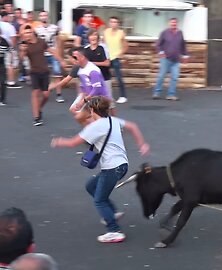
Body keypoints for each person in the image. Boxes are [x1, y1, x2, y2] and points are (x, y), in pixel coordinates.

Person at [51, 96, 150, 244]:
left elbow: (73, 143)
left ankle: (114, 231)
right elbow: (133, 126)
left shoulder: (96, 127)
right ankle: (113, 213)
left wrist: (58, 141)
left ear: (92, 110)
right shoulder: (113, 120)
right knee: (91, 186)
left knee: (99, 200)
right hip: (121, 164)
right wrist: (142, 144)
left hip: (112, 167)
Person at [19, 25, 66, 126]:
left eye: (29, 32)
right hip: (34, 72)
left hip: (44, 71)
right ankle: (36, 118)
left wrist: (61, 60)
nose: (27, 35)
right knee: (35, 93)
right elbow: (21, 60)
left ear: (33, 33)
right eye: (25, 33)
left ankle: (39, 109)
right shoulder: (25, 45)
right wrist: (22, 51)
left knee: (46, 95)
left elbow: (52, 51)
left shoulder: (41, 42)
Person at [69, 47, 112, 126]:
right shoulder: (81, 70)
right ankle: (94, 133)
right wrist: (81, 99)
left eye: (75, 57)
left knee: (93, 119)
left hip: (100, 100)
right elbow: (84, 88)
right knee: (79, 117)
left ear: (82, 57)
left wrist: (84, 101)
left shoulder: (92, 70)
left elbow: (97, 89)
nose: (73, 60)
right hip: (91, 99)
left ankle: (102, 130)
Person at [153, 18, 188, 101]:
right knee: (161, 76)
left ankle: (171, 94)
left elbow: (183, 45)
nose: (173, 24)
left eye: (175, 23)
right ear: (169, 24)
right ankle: (156, 92)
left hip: (176, 59)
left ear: (177, 24)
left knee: (175, 77)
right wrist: (161, 52)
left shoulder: (180, 33)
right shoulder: (164, 33)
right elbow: (158, 44)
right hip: (166, 58)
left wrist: (185, 55)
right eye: (172, 23)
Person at [35, 10, 64, 103]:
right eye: (42, 16)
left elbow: (59, 40)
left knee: (57, 73)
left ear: (48, 17)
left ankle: (59, 94)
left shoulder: (55, 28)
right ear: (39, 18)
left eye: (45, 15)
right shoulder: (37, 29)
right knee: (40, 73)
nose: (44, 17)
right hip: (42, 54)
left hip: (53, 53)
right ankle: (41, 92)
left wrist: (59, 54)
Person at [84, 29, 114, 108]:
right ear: (88, 38)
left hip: (104, 77)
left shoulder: (103, 47)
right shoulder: (86, 49)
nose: (93, 37)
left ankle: (113, 119)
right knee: (94, 102)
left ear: (98, 37)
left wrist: (92, 63)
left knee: (108, 103)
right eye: (91, 35)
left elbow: (107, 63)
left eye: (95, 35)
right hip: (92, 80)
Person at [104, 16, 128, 104]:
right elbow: (104, 44)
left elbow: (126, 46)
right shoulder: (106, 32)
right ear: (110, 23)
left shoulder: (121, 33)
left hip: (116, 58)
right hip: (107, 57)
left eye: (115, 22)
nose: (113, 23)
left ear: (118, 24)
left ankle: (123, 96)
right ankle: (106, 95)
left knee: (119, 77)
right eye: (112, 22)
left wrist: (121, 53)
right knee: (106, 78)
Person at [0, 11, 20, 89]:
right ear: (5, 17)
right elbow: (13, 38)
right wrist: (12, 48)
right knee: (9, 64)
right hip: (7, 47)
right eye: (8, 16)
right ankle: (10, 82)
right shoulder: (9, 26)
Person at [0, 29, 9, 106]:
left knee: (3, 82)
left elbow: (9, 52)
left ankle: (2, 100)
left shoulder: (4, 42)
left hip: (2, 64)